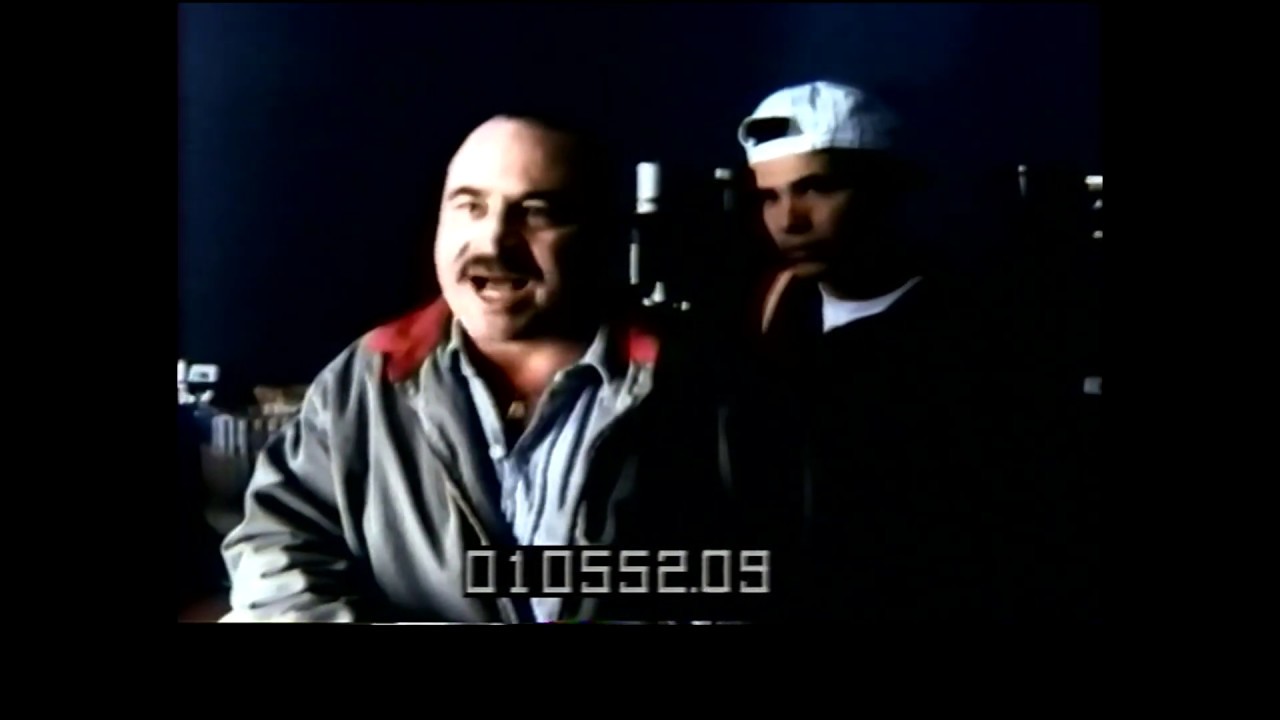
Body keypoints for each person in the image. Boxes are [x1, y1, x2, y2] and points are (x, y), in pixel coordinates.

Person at [219, 112, 788, 623]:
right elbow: (275, 548)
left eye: (536, 213)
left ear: (603, 238)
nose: (493, 240)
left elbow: (768, 575)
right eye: (470, 206)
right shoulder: (365, 380)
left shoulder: (705, 386)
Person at [735, 80, 1094, 620]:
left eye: (818, 188)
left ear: (886, 188)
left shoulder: (973, 344)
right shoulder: (763, 325)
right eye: (771, 196)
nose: (790, 220)